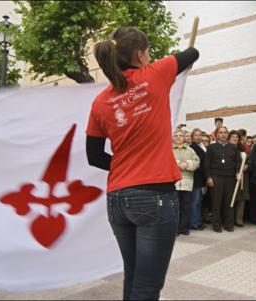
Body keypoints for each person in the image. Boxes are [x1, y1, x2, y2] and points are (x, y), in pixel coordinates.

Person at [86, 26, 199, 300]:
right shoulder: (156, 74)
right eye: (147, 51)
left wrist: (127, 167)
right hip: (154, 197)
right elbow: (192, 53)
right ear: (139, 54)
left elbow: (94, 156)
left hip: (117, 197)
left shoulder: (101, 101)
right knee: (147, 286)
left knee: (134, 276)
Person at [205, 126, 241, 232]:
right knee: (216, 203)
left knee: (229, 202)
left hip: (230, 178)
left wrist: (238, 172)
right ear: (216, 134)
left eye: (225, 132)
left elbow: (237, 161)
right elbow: (207, 164)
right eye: (221, 132)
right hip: (216, 177)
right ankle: (216, 225)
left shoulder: (233, 147)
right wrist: (208, 177)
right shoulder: (211, 147)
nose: (223, 134)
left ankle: (229, 225)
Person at [173, 129, 200, 236]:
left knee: (186, 206)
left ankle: (184, 228)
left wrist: (187, 164)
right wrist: (177, 163)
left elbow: (197, 162)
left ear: (184, 138)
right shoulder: (169, 150)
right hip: (174, 183)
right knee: (175, 208)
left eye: (180, 135)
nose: (178, 137)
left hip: (187, 183)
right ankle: (175, 229)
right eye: (176, 135)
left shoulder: (190, 150)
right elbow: (166, 160)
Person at [228, 130, 249, 227]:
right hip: (230, 176)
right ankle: (230, 219)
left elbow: (249, 160)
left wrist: (247, 166)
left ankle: (239, 219)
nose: (235, 138)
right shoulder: (226, 149)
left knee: (241, 198)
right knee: (230, 197)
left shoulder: (243, 149)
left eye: (236, 137)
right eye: (233, 137)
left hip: (243, 177)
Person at [189, 128, 207, 230]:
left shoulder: (202, 146)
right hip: (195, 178)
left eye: (200, 135)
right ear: (192, 137)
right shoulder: (192, 147)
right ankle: (194, 222)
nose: (198, 137)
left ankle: (198, 220)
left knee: (199, 201)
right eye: (196, 135)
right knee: (194, 201)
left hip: (201, 179)